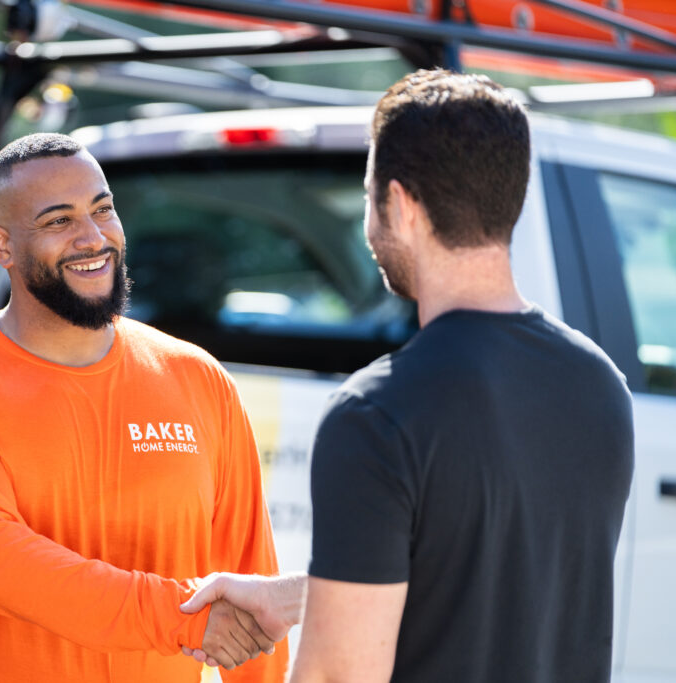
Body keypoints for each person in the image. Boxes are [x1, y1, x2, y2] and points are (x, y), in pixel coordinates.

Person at [179, 68, 634, 683]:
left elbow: (339, 676)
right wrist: (290, 597)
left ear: (400, 205)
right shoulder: (599, 386)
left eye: (368, 199)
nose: (369, 228)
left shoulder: (377, 413)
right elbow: (473, 575)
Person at [0, 133, 288, 682]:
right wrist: (183, 619)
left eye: (103, 210)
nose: (93, 238)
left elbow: (251, 584)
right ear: (1, 245)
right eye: (59, 221)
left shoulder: (197, 377)